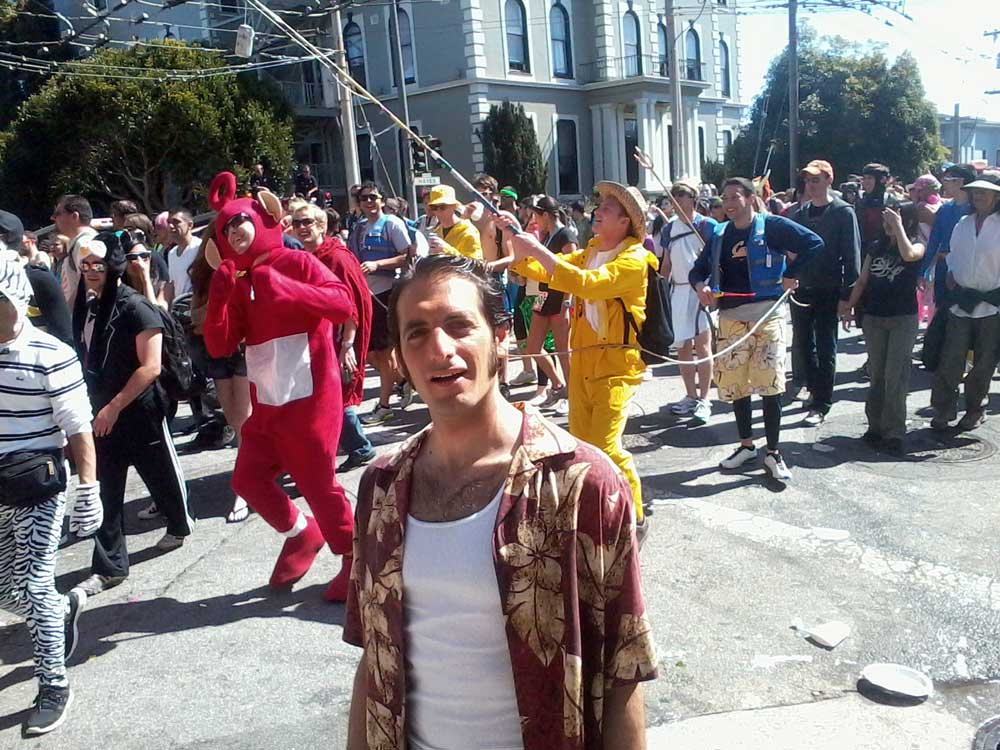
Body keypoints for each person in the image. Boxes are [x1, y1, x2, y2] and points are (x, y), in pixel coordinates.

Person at [345, 254, 657, 750]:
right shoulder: (381, 486)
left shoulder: (582, 482)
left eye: (459, 325)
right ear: (399, 358)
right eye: (417, 333)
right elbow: (374, 656)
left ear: (501, 337)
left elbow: (624, 670)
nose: (439, 349)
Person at [203, 172, 356, 601]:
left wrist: (288, 288)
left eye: (240, 222)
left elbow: (343, 304)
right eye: (226, 229)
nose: (235, 232)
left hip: (312, 398)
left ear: (265, 219)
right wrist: (218, 301)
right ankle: (301, 532)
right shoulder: (240, 284)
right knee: (247, 480)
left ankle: (355, 556)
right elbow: (220, 345)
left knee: (318, 483)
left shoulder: (298, 262)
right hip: (268, 402)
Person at [501, 181, 657, 527]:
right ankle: (596, 509)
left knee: (606, 447)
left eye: (607, 209)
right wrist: (515, 238)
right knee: (583, 445)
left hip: (616, 367)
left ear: (625, 222)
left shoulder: (634, 259)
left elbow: (588, 284)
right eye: (599, 206)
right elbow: (549, 270)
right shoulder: (591, 251)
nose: (597, 211)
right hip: (584, 361)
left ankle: (635, 515)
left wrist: (535, 250)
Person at [0, 260, 102, 736]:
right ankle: (61, 613)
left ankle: (53, 685)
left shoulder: (50, 353)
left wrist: (88, 489)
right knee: (7, 590)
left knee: (36, 584)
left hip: (38, 486)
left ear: (15, 298)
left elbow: (78, 427)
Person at [71, 233, 193, 595]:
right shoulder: (86, 305)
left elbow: (151, 367)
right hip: (100, 412)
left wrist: (114, 406)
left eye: (98, 264)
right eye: (85, 265)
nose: (92, 272)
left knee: (160, 474)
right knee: (106, 488)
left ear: (113, 266)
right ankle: (109, 567)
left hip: (140, 410)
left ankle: (179, 523)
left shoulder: (136, 307)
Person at [690, 177, 823, 483]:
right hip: (731, 318)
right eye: (725, 198)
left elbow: (814, 244)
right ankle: (746, 446)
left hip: (768, 315)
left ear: (750, 198)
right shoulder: (719, 233)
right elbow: (698, 270)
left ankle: (773, 452)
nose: (729, 203)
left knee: (770, 383)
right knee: (736, 385)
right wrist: (701, 287)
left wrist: (792, 273)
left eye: (735, 197)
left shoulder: (773, 226)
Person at [293, 204, 375, 471]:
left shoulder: (337, 258)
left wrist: (348, 345)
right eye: (296, 223)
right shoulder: (305, 256)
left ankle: (359, 447)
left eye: (307, 222)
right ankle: (354, 446)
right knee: (325, 394)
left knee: (336, 394)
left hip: (339, 338)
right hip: (318, 337)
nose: (301, 227)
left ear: (321, 226)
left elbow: (352, 305)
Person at [840, 203, 924, 454]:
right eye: (886, 219)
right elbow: (862, 280)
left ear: (908, 221)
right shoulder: (876, 246)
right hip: (874, 317)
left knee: (895, 374)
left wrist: (898, 228)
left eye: (895, 218)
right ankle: (875, 426)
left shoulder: (917, 243)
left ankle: (894, 430)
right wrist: (849, 306)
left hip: (903, 318)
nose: (888, 223)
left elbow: (909, 255)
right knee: (877, 373)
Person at [788, 159, 862, 426]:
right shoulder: (799, 214)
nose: (811, 185)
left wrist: (847, 297)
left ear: (829, 180)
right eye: (808, 180)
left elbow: (852, 256)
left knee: (826, 346)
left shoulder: (843, 212)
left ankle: (821, 403)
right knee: (803, 344)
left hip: (829, 289)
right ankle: (813, 389)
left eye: (816, 180)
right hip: (802, 288)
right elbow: (791, 251)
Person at [929, 174, 1000, 431]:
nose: (978, 196)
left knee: (984, 362)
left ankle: (975, 409)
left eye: (985, 192)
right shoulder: (963, 223)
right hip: (961, 301)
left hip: (992, 304)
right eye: (976, 192)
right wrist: (951, 273)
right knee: (950, 358)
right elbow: (953, 254)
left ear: (997, 196)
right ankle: (944, 409)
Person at [347, 182, 413, 426]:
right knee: (369, 353)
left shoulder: (392, 224)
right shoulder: (359, 228)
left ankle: (384, 405)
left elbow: (408, 256)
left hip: (387, 294)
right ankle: (403, 381)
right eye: (364, 198)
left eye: (373, 197)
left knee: (385, 354)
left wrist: (378, 264)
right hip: (364, 296)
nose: (368, 202)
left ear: (382, 200)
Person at [659, 179, 717, 424]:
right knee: (682, 346)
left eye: (681, 197)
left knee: (702, 346)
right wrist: (660, 291)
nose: (677, 202)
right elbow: (667, 264)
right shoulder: (669, 229)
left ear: (693, 199)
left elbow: (716, 260)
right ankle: (690, 395)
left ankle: (705, 398)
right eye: (673, 198)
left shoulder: (707, 225)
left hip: (701, 290)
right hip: (679, 291)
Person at [522, 195, 574, 414]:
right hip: (543, 294)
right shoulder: (546, 237)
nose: (534, 219)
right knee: (532, 347)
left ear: (545, 215)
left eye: (536, 215)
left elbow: (572, 269)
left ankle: (572, 395)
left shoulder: (565, 235)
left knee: (563, 350)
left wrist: (568, 300)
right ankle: (558, 385)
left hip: (560, 296)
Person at [922, 163, 976, 309]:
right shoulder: (944, 209)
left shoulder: (975, 211)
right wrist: (923, 271)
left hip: (967, 269)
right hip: (943, 268)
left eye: (947, 179)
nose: (943, 183)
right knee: (942, 310)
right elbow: (934, 242)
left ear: (960, 181)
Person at [52, 195, 97, 309]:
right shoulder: (80, 243)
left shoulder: (84, 244)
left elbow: (91, 286)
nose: (52, 218)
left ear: (74, 216)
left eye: (58, 214)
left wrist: (68, 314)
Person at [121, 213, 169, 310]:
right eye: (132, 257)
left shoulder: (155, 257)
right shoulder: (121, 287)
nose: (139, 261)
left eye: (144, 256)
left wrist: (145, 279)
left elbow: (157, 313)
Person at [427, 184, 484, 260]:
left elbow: (475, 264)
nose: (438, 211)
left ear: (454, 206)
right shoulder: (436, 232)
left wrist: (447, 250)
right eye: (434, 207)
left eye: (442, 207)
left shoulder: (468, 231)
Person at [165, 210, 201, 304]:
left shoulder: (200, 247)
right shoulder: (171, 254)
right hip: (179, 307)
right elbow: (172, 286)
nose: (171, 226)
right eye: (169, 222)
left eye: (176, 222)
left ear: (190, 225)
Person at [857, 163, 892, 248]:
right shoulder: (860, 202)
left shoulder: (890, 202)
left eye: (870, 178)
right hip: (862, 248)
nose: (866, 182)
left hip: (883, 249)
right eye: (864, 178)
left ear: (882, 180)